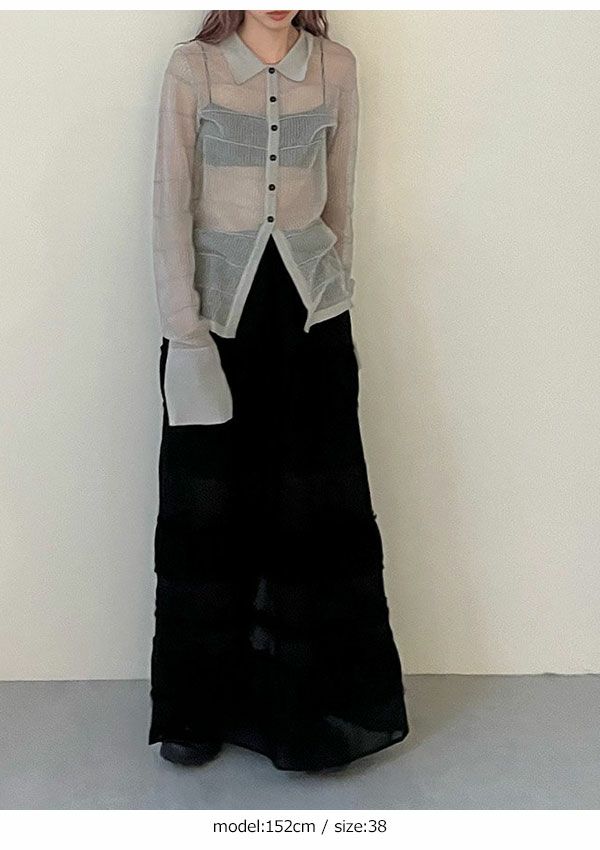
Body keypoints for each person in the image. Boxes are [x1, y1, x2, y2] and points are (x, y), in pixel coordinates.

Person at [148, 9, 410, 773]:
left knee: (310, 511)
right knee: (209, 509)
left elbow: (340, 203)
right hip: (217, 323)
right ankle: (199, 712)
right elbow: (168, 206)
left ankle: (311, 710)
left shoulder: (338, 67)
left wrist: (336, 296)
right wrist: (185, 333)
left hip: (311, 322)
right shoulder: (192, 68)